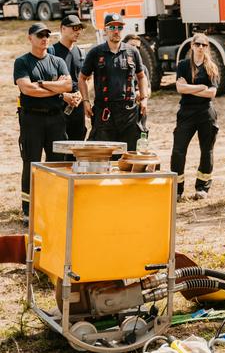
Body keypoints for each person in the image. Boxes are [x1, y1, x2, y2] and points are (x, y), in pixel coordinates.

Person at [13, 23, 72, 218]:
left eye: (47, 35)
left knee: (57, 164)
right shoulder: (22, 62)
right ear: (30, 38)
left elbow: (68, 86)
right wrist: (55, 88)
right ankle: (28, 211)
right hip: (32, 119)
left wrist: (42, 84)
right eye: (40, 35)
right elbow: (27, 89)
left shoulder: (57, 61)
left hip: (56, 119)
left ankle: (53, 206)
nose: (44, 38)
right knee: (31, 164)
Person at [78, 12, 149, 150]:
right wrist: (85, 101)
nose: (116, 31)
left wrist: (144, 98)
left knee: (130, 153)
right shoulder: (95, 53)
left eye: (119, 27)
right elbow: (82, 78)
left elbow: (141, 76)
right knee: (103, 153)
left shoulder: (132, 52)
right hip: (104, 112)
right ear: (105, 30)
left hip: (129, 111)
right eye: (112, 27)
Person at [170, 34, 219, 201]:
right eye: (197, 44)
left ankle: (202, 187)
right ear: (192, 45)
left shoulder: (212, 67)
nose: (200, 47)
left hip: (206, 113)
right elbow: (180, 88)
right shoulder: (183, 65)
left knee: (207, 150)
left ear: (207, 48)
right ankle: (177, 189)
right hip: (186, 113)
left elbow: (212, 93)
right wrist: (200, 87)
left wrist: (189, 87)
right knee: (178, 150)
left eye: (204, 45)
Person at [49, 14, 86, 141]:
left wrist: (81, 94)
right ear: (62, 29)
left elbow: (87, 78)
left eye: (80, 28)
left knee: (77, 148)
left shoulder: (81, 52)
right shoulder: (51, 52)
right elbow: (44, 82)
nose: (78, 32)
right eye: (74, 28)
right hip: (58, 106)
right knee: (58, 150)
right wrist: (64, 95)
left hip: (77, 106)